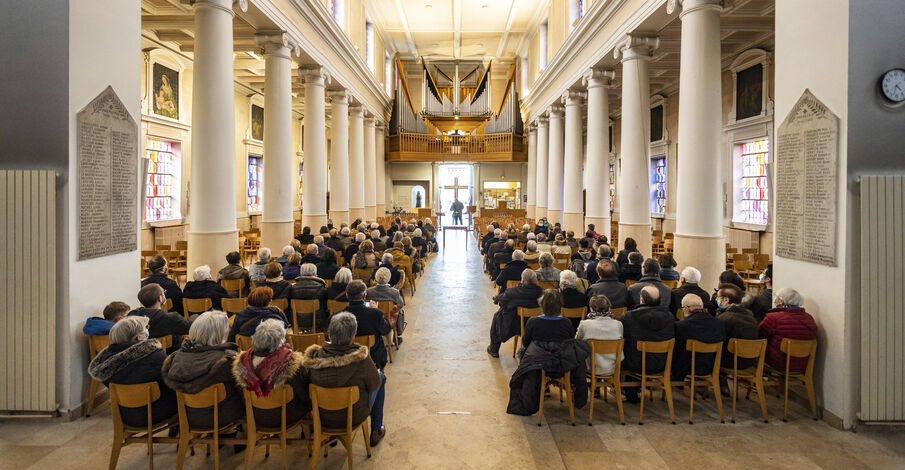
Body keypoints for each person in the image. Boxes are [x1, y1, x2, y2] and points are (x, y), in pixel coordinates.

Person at [301, 313, 387, 446]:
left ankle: (331, 437)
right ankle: (376, 430)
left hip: (323, 417)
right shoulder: (361, 359)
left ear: (329, 334)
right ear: (353, 335)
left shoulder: (314, 359)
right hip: (354, 415)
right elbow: (374, 384)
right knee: (380, 377)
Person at [88, 316, 176, 427]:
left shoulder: (106, 361)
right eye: (146, 328)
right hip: (154, 413)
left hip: (125, 415)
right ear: (139, 336)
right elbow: (172, 378)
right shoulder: (153, 355)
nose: (148, 330)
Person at [162, 311, 244, 430]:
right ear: (220, 334)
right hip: (222, 415)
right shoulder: (227, 360)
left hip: (187, 416)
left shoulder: (175, 358)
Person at [233, 319, 310, 428]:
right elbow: (303, 395)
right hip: (287, 416)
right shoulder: (294, 364)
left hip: (255, 415)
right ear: (281, 341)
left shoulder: (242, 363)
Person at [619, 286, 675, 402]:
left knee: (624, 346)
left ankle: (625, 389)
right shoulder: (670, 317)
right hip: (662, 364)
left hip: (635, 363)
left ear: (642, 300)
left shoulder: (630, 316)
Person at [487, 269, 544, 358]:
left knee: (497, 316)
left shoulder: (513, 292)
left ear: (522, 280)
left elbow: (503, 302)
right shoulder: (542, 293)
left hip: (514, 326)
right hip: (537, 326)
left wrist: (498, 298)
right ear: (535, 280)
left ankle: (494, 349)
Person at [759, 288, 817, 373]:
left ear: (781, 301)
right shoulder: (809, 318)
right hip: (802, 364)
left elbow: (759, 335)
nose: (775, 299)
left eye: (777, 297)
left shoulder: (773, 318)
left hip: (779, 363)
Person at [671, 295, 726, 381]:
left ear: (686, 308)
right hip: (711, 367)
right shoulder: (719, 324)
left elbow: (676, 350)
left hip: (687, 368)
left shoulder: (681, 326)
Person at [342, 281, 393, 369]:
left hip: (347, 357)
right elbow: (386, 330)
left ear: (347, 295)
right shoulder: (375, 314)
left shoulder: (338, 316)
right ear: (364, 296)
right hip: (373, 357)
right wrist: (376, 310)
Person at [128, 284, 190, 352]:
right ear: (160, 298)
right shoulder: (172, 318)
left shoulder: (131, 317)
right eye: (164, 292)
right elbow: (190, 330)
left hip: (140, 357)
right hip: (170, 356)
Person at [576, 294, 624, 376]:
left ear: (591, 309)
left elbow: (576, 342)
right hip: (613, 368)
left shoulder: (584, 324)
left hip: (590, 367)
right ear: (609, 308)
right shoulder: (618, 324)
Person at [714, 284, 759, 369]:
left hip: (731, 362)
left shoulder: (724, 319)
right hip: (750, 361)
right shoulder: (751, 316)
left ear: (726, 300)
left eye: (718, 297)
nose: (716, 299)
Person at [520, 289, 575, 354]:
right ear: (560, 305)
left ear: (542, 304)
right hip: (560, 359)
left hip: (537, 358)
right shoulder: (566, 322)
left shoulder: (532, 322)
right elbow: (571, 343)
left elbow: (525, 342)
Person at [367, 267, 406, 344]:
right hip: (389, 318)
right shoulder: (394, 292)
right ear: (389, 278)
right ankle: (398, 335)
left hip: (373, 318)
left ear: (376, 278)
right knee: (400, 311)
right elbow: (400, 304)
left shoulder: (369, 291)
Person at [290, 263, 328, 328]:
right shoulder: (321, 287)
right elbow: (325, 305)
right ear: (314, 274)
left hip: (296, 320)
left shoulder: (292, 288)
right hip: (317, 321)